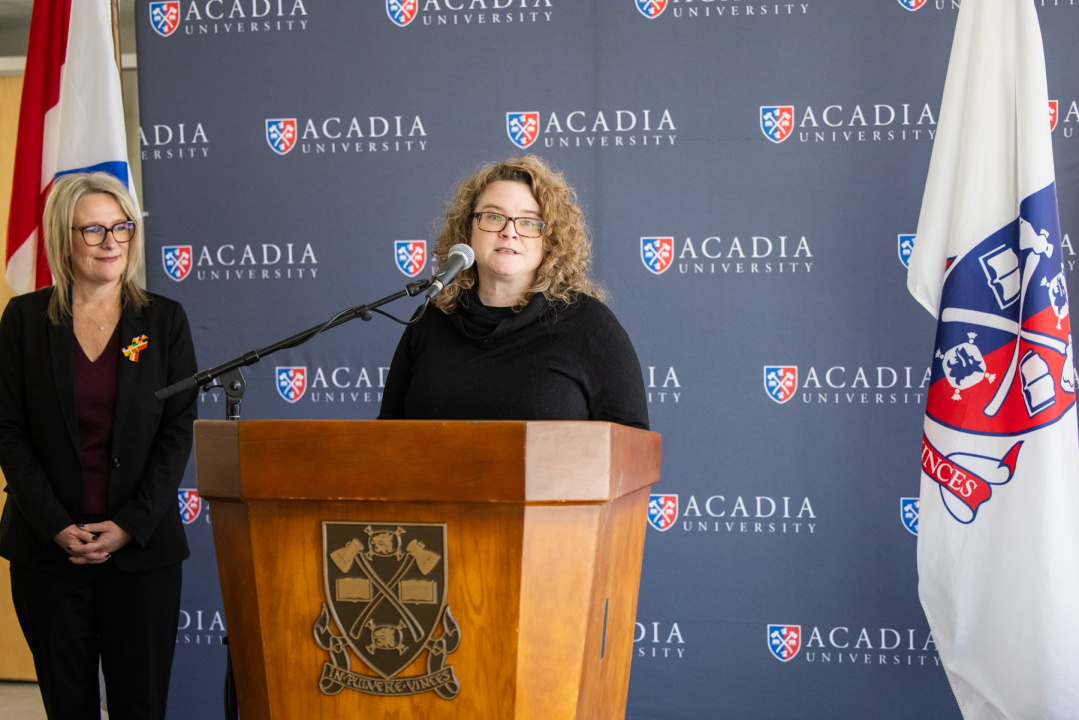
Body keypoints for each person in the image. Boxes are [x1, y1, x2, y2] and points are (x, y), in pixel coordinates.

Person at [0, 172, 198, 719]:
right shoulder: (23, 320)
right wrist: (55, 524)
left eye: (121, 227)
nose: (111, 242)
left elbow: (177, 431)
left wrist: (131, 524)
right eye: (93, 230)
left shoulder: (163, 322)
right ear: (63, 238)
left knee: (141, 706)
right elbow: (8, 430)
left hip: (141, 553)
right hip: (47, 551)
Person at [379, 156, 649, 430]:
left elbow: (632, 451)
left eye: (529, 222)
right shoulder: (430, 321)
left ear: (551, 238)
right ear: (467, 227)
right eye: (494, 216)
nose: (509, 232)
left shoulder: (591, 327)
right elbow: (386, 435)